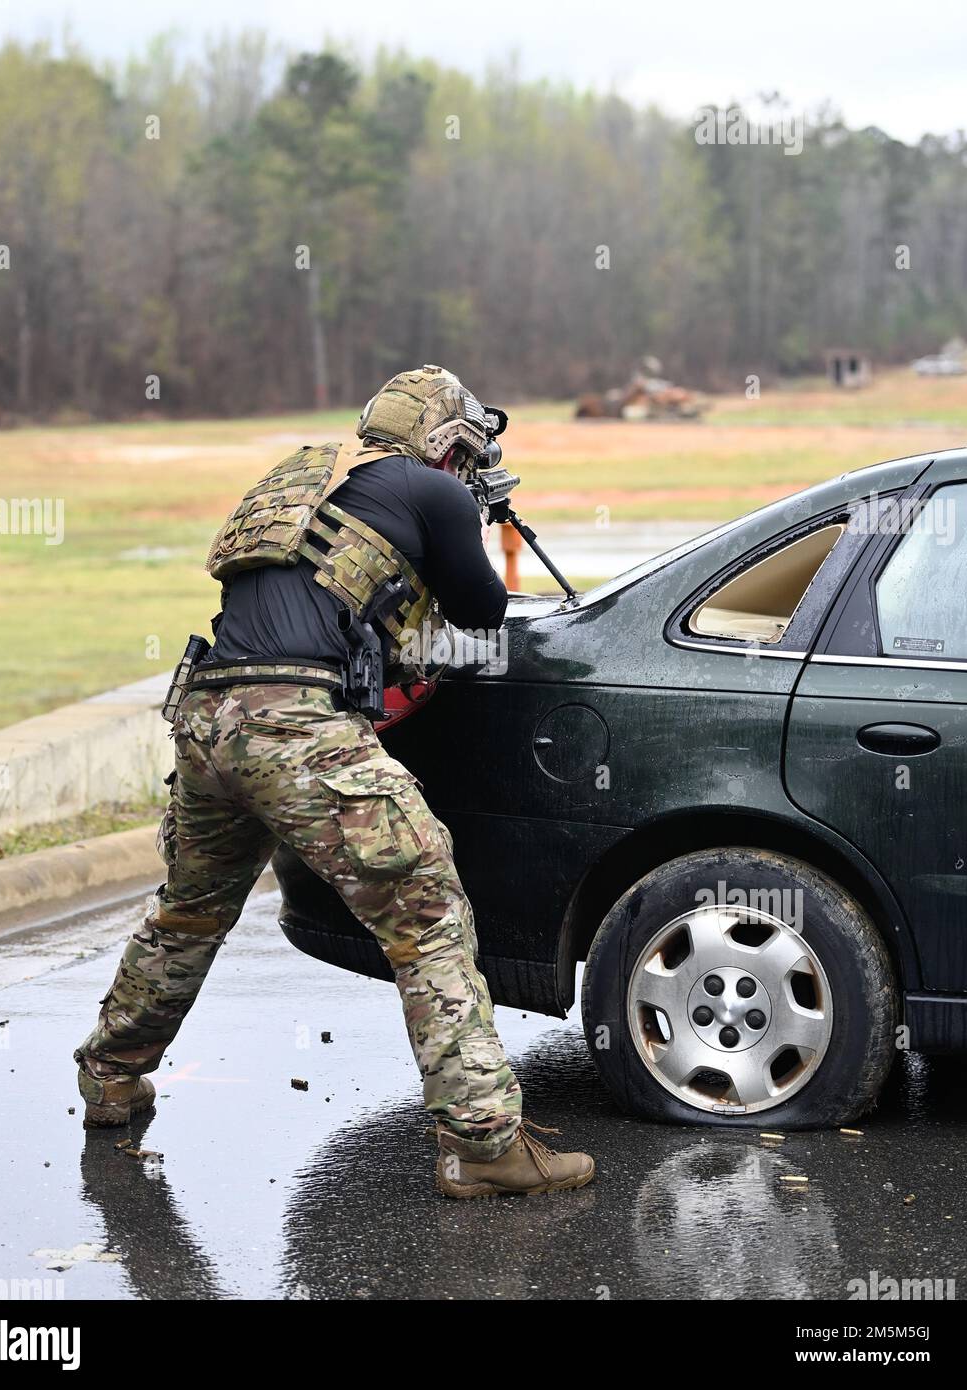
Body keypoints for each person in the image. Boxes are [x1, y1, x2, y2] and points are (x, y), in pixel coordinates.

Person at [74, 365, 594, 1198]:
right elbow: (482, 611)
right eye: (461, 453)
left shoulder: (306, 475)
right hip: (295, 725)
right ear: (440, 443)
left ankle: (109, 1076)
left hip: (206, 715)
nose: (464, 469)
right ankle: (485, 1144)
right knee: (427, 915)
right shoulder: (436, 495)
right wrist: (470, 515)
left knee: (190, 914)